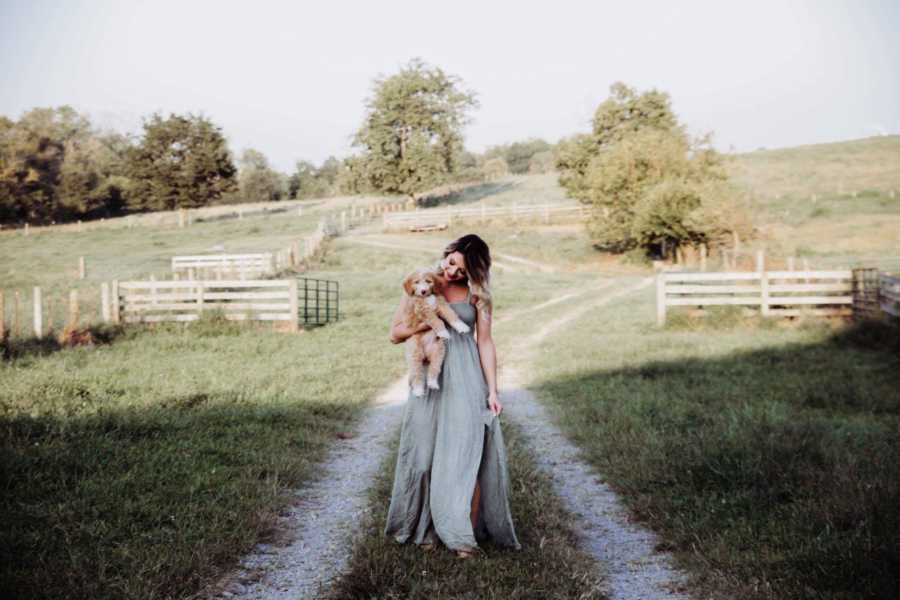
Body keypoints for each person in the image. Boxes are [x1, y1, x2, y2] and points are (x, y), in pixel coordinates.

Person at [384, 234, 521, 558]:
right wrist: (428, 323)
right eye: (450, 262)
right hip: (431, 373)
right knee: (424, 450)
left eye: (460, 269)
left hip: (467, 375)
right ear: (446, 255)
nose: (452, 272)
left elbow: (485, 342)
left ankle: (462, 534)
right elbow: (394, 334)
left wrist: (492, 390)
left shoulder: (479, 296)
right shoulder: (424, 283)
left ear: (473, 270)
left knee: (466, 449)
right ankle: (425, 527)